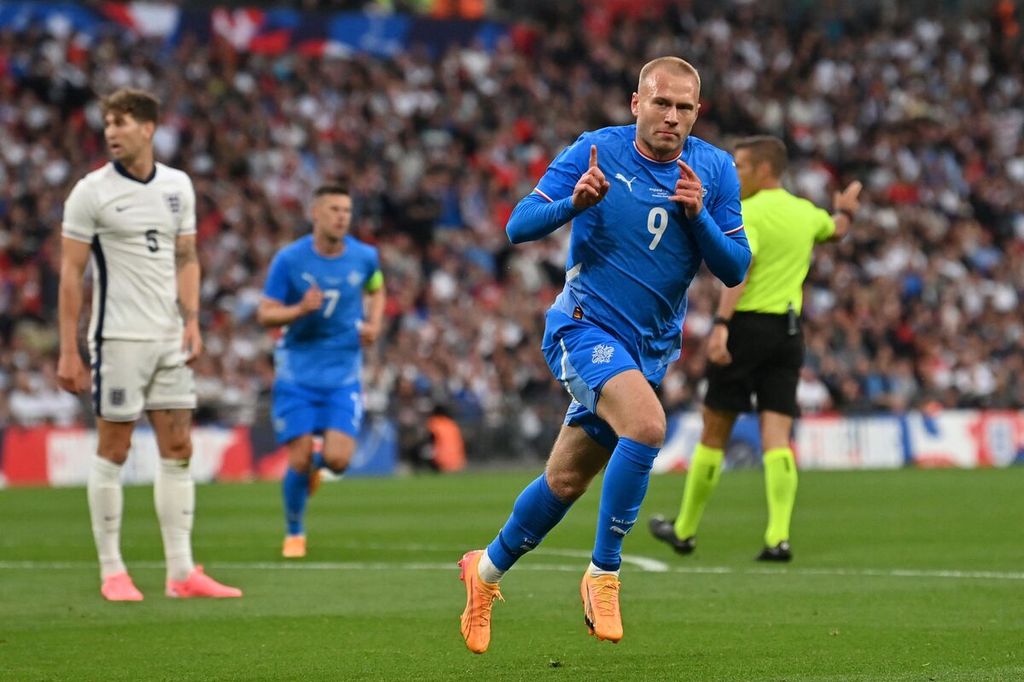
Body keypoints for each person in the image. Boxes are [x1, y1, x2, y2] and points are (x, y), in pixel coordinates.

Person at [458, 56, 751, 653]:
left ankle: (483, 573)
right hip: (583, 326)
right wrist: (575, 203)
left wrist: (699, 220)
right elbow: (518, 225)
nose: (672, 117)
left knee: (564, 481)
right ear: (635, 103)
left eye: (684, 108)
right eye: (661, 103)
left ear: (698, 114)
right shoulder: (595, 150)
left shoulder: (715, 170)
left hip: (648, 350)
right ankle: (604, 573)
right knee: (646, 426)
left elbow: (735, 267)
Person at [57, 88, 242, 601]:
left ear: (148, 127)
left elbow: (187, 257)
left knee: (179, 447)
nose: (111, 132)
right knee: (114, 448)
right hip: (117, 338)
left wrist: (193, 320)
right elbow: (70, 274)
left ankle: (181, 572)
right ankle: (112, 570)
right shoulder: (90, 192)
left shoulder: (178, 186)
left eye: (120, 122)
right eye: (107, 123)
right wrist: (69, 350)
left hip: (169, 339)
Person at [649, 135, 862, 562]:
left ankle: (686, 530)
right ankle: (778, 537)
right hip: (788, 333)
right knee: (777, 436)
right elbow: (835, 232)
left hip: (747, 326)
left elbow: (739, 271)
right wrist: (845, 210)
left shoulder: (751, 212)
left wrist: (722, 325)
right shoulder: (805, 212)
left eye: (742, 166)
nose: (735, 174)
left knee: (715, 427)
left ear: (765, 170)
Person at [257, 185, 385, 559]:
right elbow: (266, 313)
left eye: (346, 209)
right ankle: (294, 532)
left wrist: (374, 323)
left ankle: (313, 469)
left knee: (339, 460)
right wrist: (298, 310)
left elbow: (376, 289)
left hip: (343, 373)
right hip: (296, 373)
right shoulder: (289, 260)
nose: (342, 216)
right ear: (315, 213)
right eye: (334, 209)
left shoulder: (365, 257)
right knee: (297, 459)